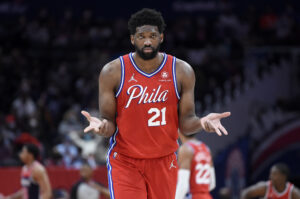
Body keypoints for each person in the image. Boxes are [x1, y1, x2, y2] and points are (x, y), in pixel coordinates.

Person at [81, 8, 231, 199]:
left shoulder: (182, 71)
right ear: (132, 39)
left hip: (164, 161)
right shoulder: (112, 72)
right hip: (126, 161)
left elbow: (186, 122)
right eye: (141, 36)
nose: (147, 41)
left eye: (152, 35)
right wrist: (102, 126)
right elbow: (109, 124)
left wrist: (202, 122)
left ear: (161, 37)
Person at [175, 132, 216, 199]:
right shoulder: (206, 148)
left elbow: (183, 186)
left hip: (194, 196)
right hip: (207, 196)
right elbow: (212, 184)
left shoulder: (185, 149)